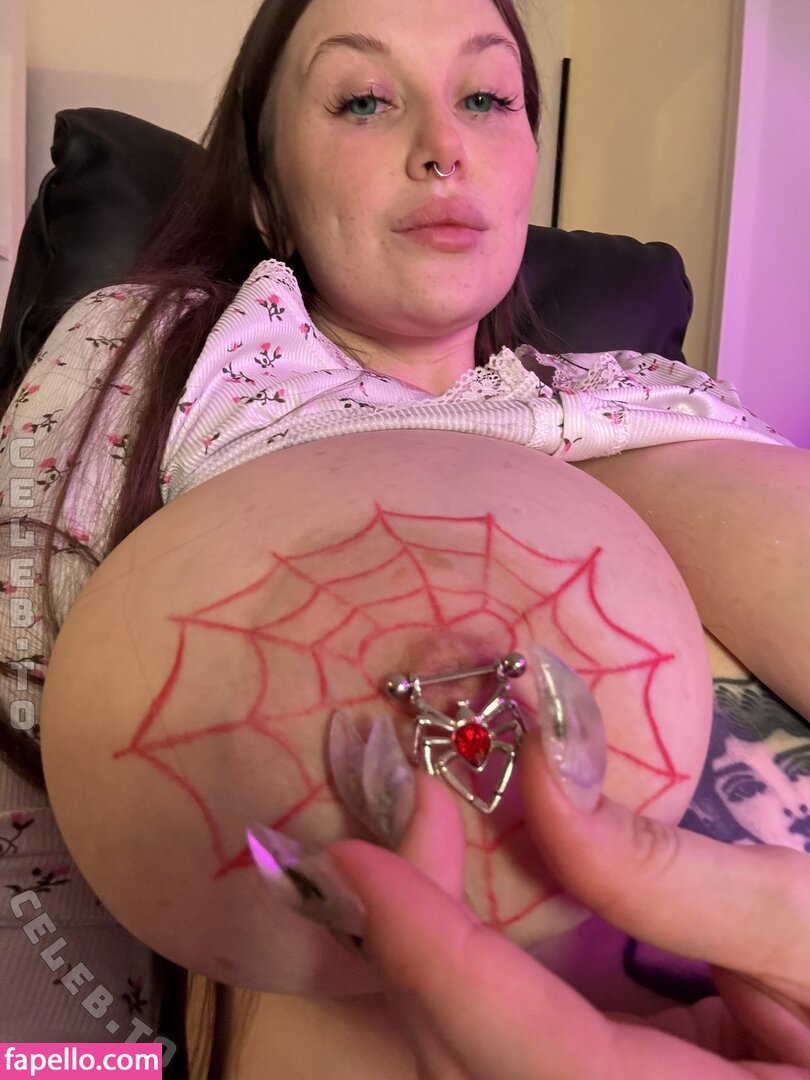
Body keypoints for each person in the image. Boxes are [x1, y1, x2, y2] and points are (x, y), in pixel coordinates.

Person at [0, 0, 808, 1074]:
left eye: (486, 97)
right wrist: (70, 1066)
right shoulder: (155, 352)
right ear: (268, 191)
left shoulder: (654, 393)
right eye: (365, 101)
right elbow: (24, 785)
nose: (445, 145)